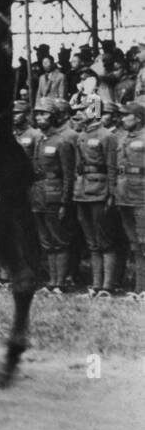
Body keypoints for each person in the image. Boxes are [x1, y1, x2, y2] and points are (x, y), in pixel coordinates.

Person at [30, 97, 77, 294]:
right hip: (39, 194)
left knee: (59, 240)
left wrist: (65, 202)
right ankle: (51, 280)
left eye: (44, 114)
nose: (40, 117)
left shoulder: (63, 141)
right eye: (38, 114)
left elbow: (68, 175)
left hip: (55, 195)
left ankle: (60, 282)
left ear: (54, 116)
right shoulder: (40, 140)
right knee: (46, 241)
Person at [73, 98, 119, 297]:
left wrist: (111, 193)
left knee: (105, 240)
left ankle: (107, 286)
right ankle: (96, 284)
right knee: (91, 241)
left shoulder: (107, 136)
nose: (80, 113)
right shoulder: (81, 135)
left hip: (100, 190)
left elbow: (112, 167)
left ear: (94, 111)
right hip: (82, 191)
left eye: (83, 110)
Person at [108, 101, 145, 300]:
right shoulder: (120, 138)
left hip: (142, 196)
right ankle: (139, 288)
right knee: (134, 245)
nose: (122, 119)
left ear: (138, 118)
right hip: (124, 196)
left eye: (126, 116)